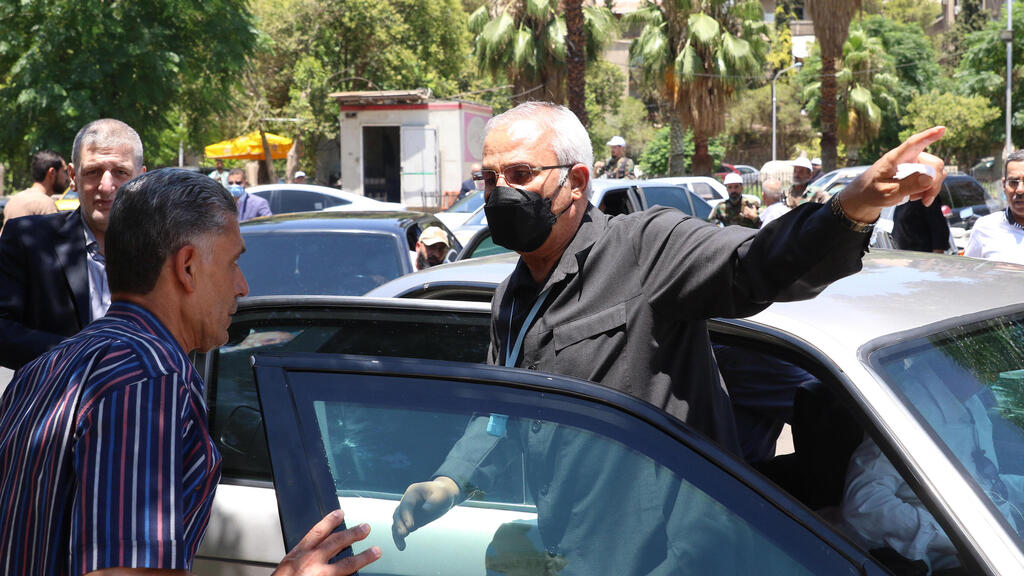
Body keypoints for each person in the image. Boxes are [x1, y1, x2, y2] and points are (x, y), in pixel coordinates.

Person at [390, 101, 946, 571]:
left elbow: (755, 264)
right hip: (572, 553)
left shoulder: (644, 247)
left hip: (674, 558)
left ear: (577, 181)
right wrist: (451, 479)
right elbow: (501, 409)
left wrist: (854, 205)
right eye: (489, 178)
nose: (498, 192)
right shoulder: (511, 296)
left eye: (519, 175)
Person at [0, 168, 380, 576]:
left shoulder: (47, 366)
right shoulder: (150, 381)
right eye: (233, 262)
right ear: (187, 267)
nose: (243, 286)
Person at [840, 351, 1024, 573]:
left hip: (1004, 542)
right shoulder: (906, 408)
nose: (994, 375)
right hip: (961, 563)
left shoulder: (970, 401)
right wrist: (952, 535)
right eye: (988, 364)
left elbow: (979, 481)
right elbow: (864, 505)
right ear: (950, 360)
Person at [0, 119, 144, 370]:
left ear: (140, 178)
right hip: (56, 405)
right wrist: (84, 356)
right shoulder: (27, 239)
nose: (106, 186)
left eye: (120, 172)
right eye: (93, 171)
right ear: (72, 176)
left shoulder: (165, 248)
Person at [964, 150, 1024, 264]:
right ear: (1004, 185)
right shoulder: (985, 227)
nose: (1020, 190)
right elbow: (970, 274)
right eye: (1013, 182)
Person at [2, 149, 65, 227]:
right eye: (64, 172)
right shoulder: (46, 205)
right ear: (52, 172)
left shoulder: (13, 201)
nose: (67, 178)